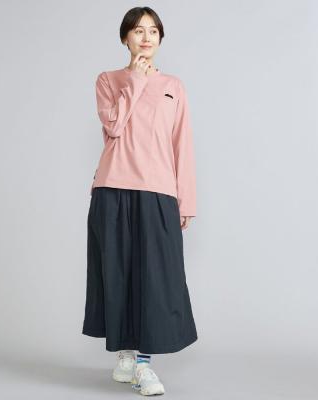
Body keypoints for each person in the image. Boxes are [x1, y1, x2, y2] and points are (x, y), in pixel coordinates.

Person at [82, 6, 198, 396]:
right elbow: (114, 126)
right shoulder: (108, 80)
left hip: (159, 191)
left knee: (156, 278)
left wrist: (186, 200)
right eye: (137, 31)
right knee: (117, 273)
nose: (146, 38)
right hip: (112, 187)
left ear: (160, 38)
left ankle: (144, 364)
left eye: (153, 31)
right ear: (125, 38)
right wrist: (134, 80)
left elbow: (182, 144)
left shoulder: (174, 86)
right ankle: (126, 356)